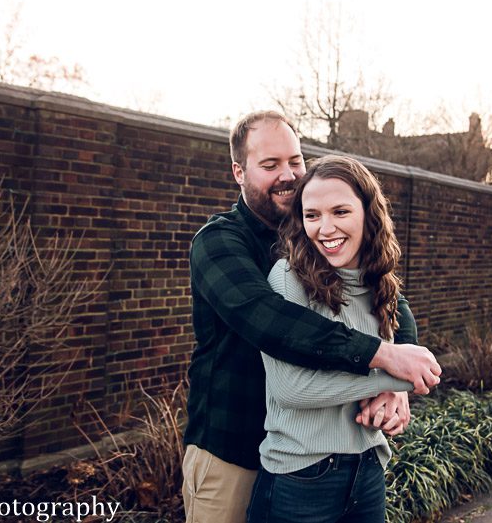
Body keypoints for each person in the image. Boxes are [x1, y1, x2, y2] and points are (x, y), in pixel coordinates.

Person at [182, 111, 441, 523]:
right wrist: (384, 359)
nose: (288, 175)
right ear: (239, 172)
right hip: (232, 450)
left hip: (317, 452)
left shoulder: (316, 239)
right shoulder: (219, 243)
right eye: (270, 165)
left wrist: (398, 386)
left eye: (295, 161)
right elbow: (270, 321)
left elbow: (389, 300)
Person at [247, 154, 417, 523]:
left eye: (340, 212)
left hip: (368, 471)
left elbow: (399, 345)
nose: (325, 228)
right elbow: (290, 389)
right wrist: (398, 376)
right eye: (312, 215)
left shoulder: (380, 284)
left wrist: (394, 392)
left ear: (368, 213)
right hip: (300, 479)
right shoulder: (288, 279)